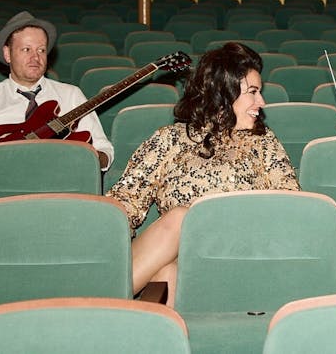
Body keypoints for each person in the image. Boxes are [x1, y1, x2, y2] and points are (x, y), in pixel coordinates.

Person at [107, 42, 298, 305]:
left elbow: (290, 203)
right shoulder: (168, 140)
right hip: (181, 260)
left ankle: (95, 306)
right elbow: (125, 201)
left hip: (239, 254)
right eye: (253, 92)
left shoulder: (263, 142)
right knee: (167, 272)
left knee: (182, 217)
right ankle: (104, 312)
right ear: (222, 92)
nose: (261, 102)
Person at [0, 11, 113, 173]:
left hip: (59, 184)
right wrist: (1, 164)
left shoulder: (71, 95)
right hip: (4, 188)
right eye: (26, 49)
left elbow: (105, 151)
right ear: (7, 54)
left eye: (41, 50)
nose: (35, 57)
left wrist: (87, 159)